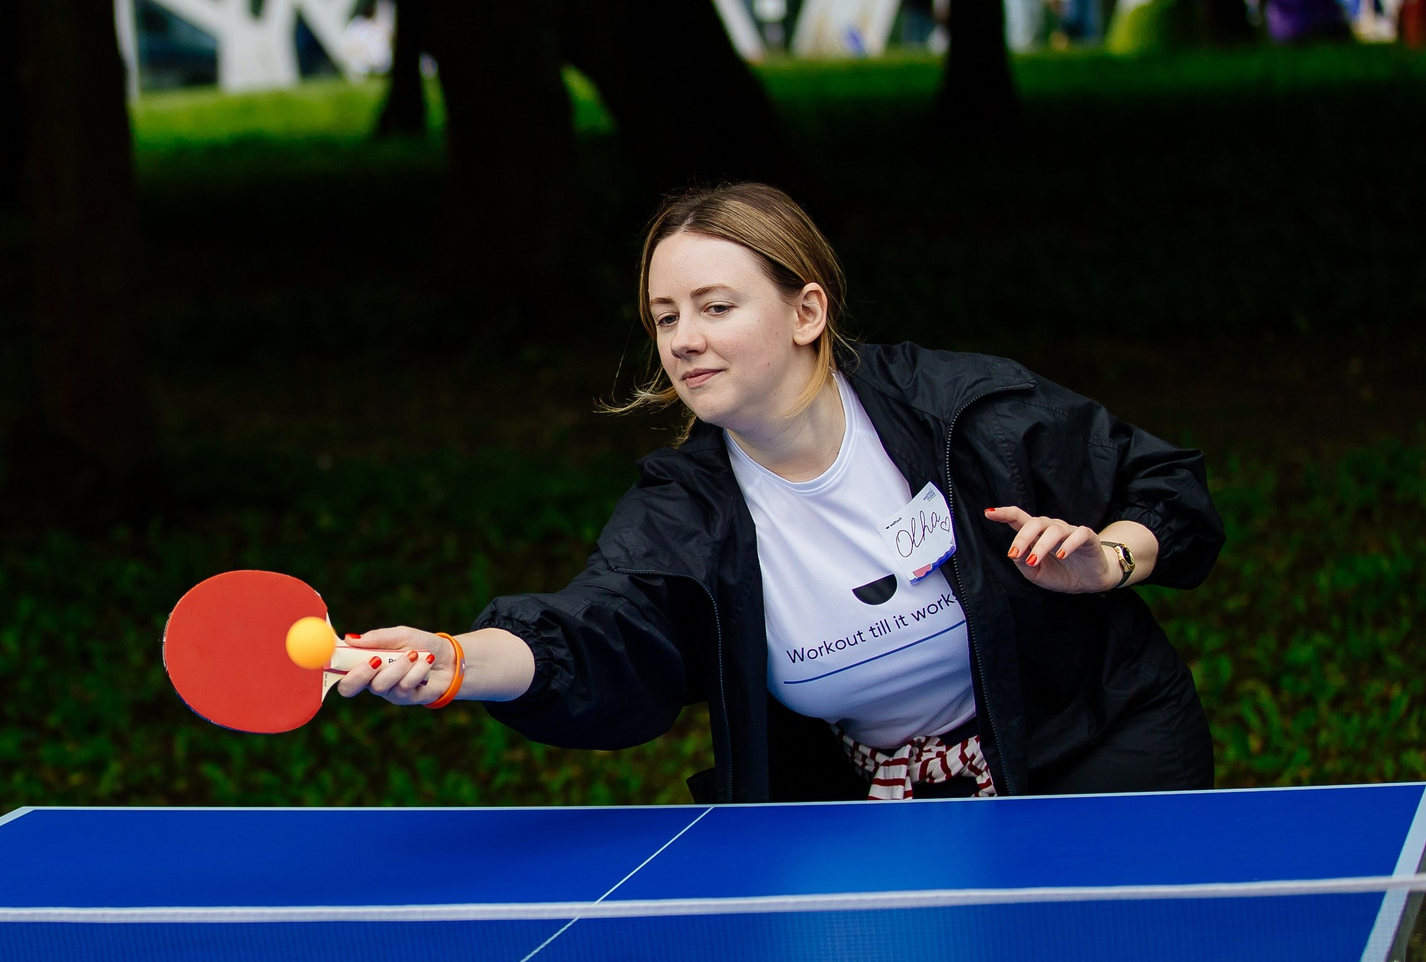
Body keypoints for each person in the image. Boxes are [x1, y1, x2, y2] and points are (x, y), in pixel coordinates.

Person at [334, 183, 1225, 804]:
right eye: (666, 316)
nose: (684, 339)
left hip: (1098, 770)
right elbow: (602, 635)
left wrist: (1108, 559)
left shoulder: (967, 411)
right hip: (877, 807)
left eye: (716, 306)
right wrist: (454, 661)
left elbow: (1165, 483)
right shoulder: (688, 507)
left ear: (807, 312)